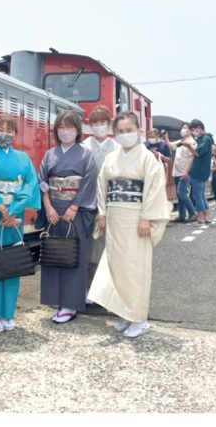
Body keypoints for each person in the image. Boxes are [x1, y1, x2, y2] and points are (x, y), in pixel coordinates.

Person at [88, 112, 171, 338]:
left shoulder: (147, 158)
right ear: (115, 134)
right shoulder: (111, 158)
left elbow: (154, 189)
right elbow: (102, 186)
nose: (125, 135)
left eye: (129, 130)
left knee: (135, 268)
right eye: (120, 131)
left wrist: (148, 218)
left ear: (138, 131)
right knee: (117, 267)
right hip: (115, 218)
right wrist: (103, 214)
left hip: (136, 219)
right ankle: (125, 313)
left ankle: (140, 318)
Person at [0, 115, 41, 333]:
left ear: (16, 134)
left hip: (15, 217)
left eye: (10, 130)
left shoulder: (23, 158)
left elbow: (30, 184)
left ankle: (8, 313)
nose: (5, 133)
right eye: (1, 128)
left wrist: (13, 210)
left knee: (11, 262)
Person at [37, 110, 98, 324]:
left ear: (77, 130)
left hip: (76, 212)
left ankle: (71, 304)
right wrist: (48, 207)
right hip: (54, 210)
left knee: (73, 255)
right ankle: (56, 299)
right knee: (55, 254)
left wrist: (75, 206)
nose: (65, 132)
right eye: (61, 128)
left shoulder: (86, 154)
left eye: (70, 127)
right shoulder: (49, 154)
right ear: (56, 131)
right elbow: (43, 181)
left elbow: (89, 181)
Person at [81, 105, 119, 297]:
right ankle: (89, 288)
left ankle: (107, 291)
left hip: (112, 204)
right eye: (95, 123)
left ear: (109, 124)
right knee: (89, 247)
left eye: (102, 122)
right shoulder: (84, 146)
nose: (99, 126)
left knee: (108, 247)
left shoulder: (117, 148)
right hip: (88, 204)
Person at [187, 119, 215, 224]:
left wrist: (188, 146)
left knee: (197, 195)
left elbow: (197, 153)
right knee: (201, 195)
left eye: (194, 130)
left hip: (198, 171)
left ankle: (201, 215)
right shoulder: (207, 138)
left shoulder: (205, 139)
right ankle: (206, 215)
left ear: (199, 128)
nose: (194, 132)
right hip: (202, 171)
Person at [170, 122, 197, 223]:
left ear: (190, 131)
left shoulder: (192, 142)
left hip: (185, 172)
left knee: (182, 193)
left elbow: (192, 157)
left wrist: (187, 171)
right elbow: (171, 146)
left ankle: (193, 213)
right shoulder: (181, 141)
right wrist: (166, 137)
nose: (183, 130)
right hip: (177, 172)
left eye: (185, 128)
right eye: (182, 128)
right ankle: (181, 215)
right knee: (179, 194)